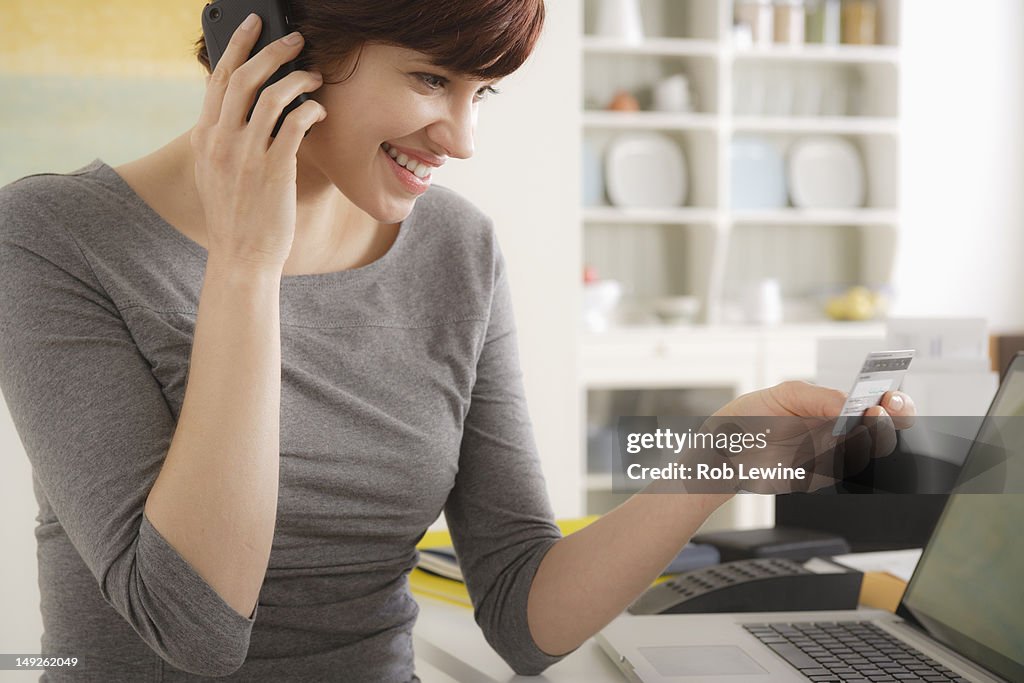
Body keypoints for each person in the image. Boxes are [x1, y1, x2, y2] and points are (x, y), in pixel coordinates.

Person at [0, 2, 916, 681]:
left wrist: (718, 457)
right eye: (433, 79)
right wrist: (247, 265)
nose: (464, 137)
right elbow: (194, 630)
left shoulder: (458, 248)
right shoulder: (49, 238)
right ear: (277, 41)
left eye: (484, 92)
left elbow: (524, 610)